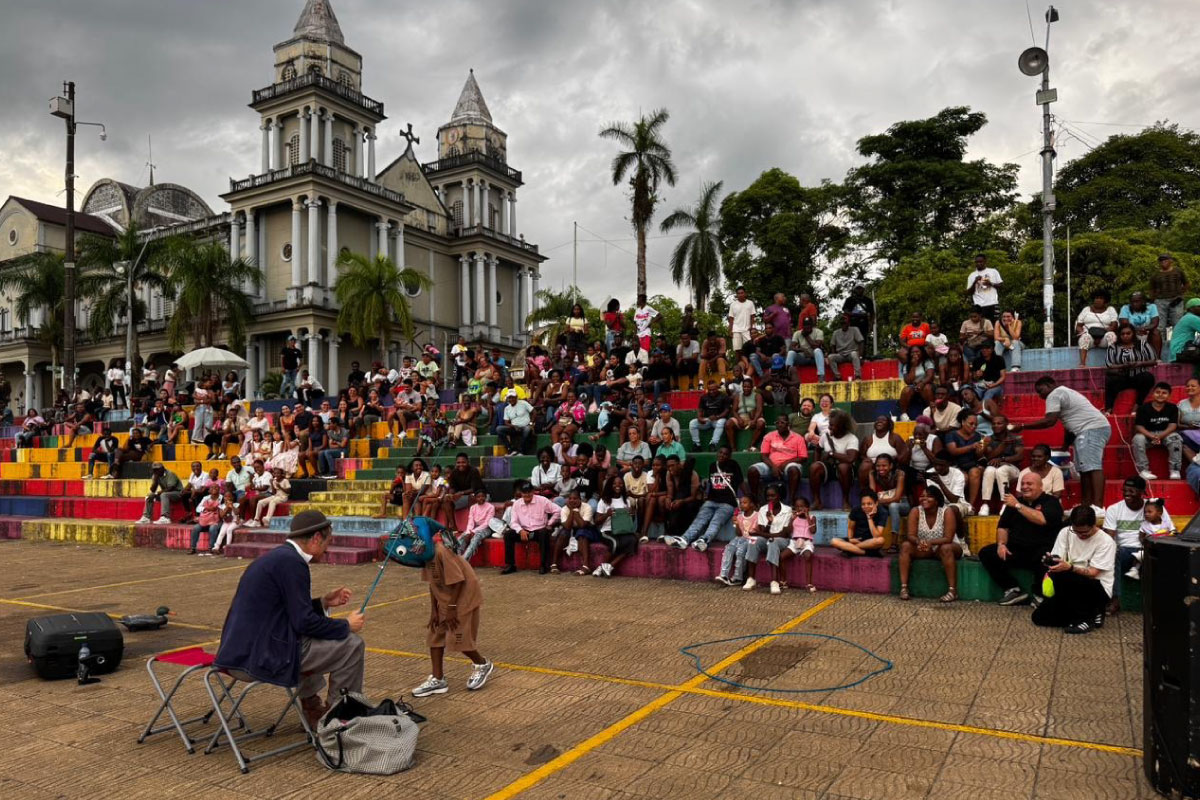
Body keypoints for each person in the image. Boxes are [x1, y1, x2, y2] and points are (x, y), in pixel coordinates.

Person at [215, 510, 365, 726]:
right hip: (255, 657)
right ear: (315, 539)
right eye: (327, 542)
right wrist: (346, 625)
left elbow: (288, 611)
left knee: (305, 639)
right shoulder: (293, 564)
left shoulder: (280, 557)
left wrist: (322, 602)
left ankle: (312, 707)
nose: (327, 548)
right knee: (352, 645)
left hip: (237, 651)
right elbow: (303, 621)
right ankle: (338, 720)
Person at [1010, 376, 1111, 512]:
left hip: (1091, 429)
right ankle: (1086, 506)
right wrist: (1064, 447)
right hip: (1088, 430)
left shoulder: (1055, 394)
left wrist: (1022, 426)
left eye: (1041, 391)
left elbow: (1049, 421)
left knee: (1093, 467)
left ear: (1050, 385)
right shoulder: (1065, 393)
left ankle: (1098, 507)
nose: (1041, 396)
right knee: (1085, 470)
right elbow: (1069, 427)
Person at [977, 471, 1064, 606]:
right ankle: (1013, 589)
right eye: (1022, 484)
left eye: (1029, 484)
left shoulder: (1051, 502)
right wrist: (1001, 544)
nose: (1024, 487)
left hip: (1041, 550)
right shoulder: (1015, 503)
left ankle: (1039, 595)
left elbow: (1042, 519)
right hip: (1017, 550)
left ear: (1041, 487)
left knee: (1048, 558)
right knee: (986, 553)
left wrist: (1018, 506)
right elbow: (1003, 527)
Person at [1032, 506, 1117, 635]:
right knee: (1039, 618)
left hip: (1096, 587)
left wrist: (1070, 568)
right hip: (1068, 584)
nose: (1080, 536)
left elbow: (1093, 573)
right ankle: (1092, 612)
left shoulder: (1106, 542)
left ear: (1094, 525)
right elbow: (1058, 558)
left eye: (1085, 532)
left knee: (1066, 575)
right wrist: (1051, 560)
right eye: (1076, 532)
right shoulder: (1066, 532)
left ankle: (1086, 618)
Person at [898, 486, 965, 603]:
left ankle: (952, 591)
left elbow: (948, 538)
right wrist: (919, 542)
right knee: (905, 546)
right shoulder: (915, 511)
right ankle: (904, 588)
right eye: (922, 496)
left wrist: (930, 542)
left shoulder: (946, 511)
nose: (924, 499)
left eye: (929, 496)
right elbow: (911, 535)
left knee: (946, 548)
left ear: (937, 500)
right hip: (925, 547)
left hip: (946, 547)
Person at [672, 445, 744, 551]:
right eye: (720, 453)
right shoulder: (712, 466)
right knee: (699, 520)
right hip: (711, 501)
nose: (722, 455)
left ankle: (704, 540)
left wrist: (749, 497)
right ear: (717, 453)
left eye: (725, 454)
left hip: (728, 503)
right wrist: (707, 497)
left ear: (730, 456)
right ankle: (684, 539)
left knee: (716, 522)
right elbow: (711, 484)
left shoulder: (733, 465)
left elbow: (741, 482)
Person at [1102, 475, 1150, 613]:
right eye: (1125, 490)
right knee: (1113, 552)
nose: (1127, 494)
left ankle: (1153, 603)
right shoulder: (1114, 509)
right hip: (1124, 552)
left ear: (1142, 492)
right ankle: (1115, 600)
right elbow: (1109, 538)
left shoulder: (1153, 508)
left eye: (1131, 491)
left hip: (1145, 549)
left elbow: (1165, 531)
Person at [742, 485, 793, 592]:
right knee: (753, 540)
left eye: (773, 496)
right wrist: (769, 521)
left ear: (779, 496)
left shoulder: (787, 510)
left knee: (772, 541)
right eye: (768, 496)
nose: (770, 498)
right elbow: (762, 531)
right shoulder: (763, 509)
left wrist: (760, 534)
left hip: (783, 541)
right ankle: (751, 579)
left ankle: (774, 581)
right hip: (767, 538)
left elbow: (784, 534)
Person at [1130, 381, 1184, 480]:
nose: (1160, 395)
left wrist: (1160, 436)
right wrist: (1151, 436)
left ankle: (1175, 470)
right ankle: (1143, 471)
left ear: (1169, 396)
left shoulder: (1172, 408)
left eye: (1164, 393)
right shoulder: (1143, 408)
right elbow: (1139, 427)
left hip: (1166, 434)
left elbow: (1172, 426)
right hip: (1147, 434)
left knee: (1176, 438)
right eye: (1158, 392)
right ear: (1153, 394)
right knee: (1138, 439)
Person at [501, 483, 558, 575]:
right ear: (521, 493)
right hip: (524, 531)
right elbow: (513, 522)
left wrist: (550, 523)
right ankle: (511, 565)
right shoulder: (517, 504)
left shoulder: (542, 501)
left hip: (539, 530)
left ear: (533, 492)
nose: (527, 495)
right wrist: (520, 530)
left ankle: (543, 565)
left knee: (544, 533)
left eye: (529, 492)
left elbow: (558, 510)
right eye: (524, 492)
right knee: (508, 534)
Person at [808, 409, 859, 511]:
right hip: (830, 467)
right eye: (829, 424)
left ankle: (846, 501)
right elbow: (818, 449)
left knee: (843, 466)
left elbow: (850, 458)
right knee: (815, 467)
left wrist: (831, 454)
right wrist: (817, 462)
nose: (829, 428)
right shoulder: (825, 435)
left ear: (842, 427)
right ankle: (817, 501)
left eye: (832, 425)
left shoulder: (852, 438)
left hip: (846, 471)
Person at [1103, 322, 1157, 413]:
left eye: (1128, 333)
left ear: (1133, 334)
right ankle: (1109, 409)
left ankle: (1137, 406)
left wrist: (1139, 363)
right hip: (1121, 377)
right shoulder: (1113, 347)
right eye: (1122, 334)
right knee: (1110, 380)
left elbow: (1153, 360)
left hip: (1138, 377)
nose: (1125, 336)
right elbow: (1109, 365)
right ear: (1119, 335)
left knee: (1148, 377)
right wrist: (1123, 366)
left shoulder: (1142, 344)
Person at [979, 414, 1024, 516]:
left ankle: (1005, 503)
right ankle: (985, 505)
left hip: (1013, 469)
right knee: (989, 469)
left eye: (999, 423)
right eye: (994, 424)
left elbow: (1019, 456)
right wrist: (996, 446)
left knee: (1001, 470)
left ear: (1006, 425)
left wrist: (1003, 459)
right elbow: (987, 456)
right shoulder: (988, 439)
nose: (996, 425)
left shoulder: (1015, 438)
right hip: (995, 469)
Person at [550, 491, 598, 575]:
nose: (572, 500)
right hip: (571, 530)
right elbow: (567, 526)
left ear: (580, 499)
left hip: (588, 529)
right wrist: (572, 511)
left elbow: (582, 525)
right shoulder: (564, 509)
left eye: (575, 498)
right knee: (563, 533)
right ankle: (554, 564)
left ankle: (586, 566)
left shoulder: (587, 507)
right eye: (570, 499)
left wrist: (575, 510)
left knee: (581, 533)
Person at [830, 490, 888, 557]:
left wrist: (869, 518)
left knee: (881, 540)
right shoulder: (856, 510)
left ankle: (849, 549)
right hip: (857, 540)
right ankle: (867, 553)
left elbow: (876, 536)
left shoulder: (883, 512)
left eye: (869, 504)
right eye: (863, 504)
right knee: (834, 541)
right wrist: (850, 539)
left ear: (876, 503)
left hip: (870, 542)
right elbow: (850, 528)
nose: (866, 506)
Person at [1075, 289, 1119, 366]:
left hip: (1104, 337)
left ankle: (1113, 363)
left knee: (1112, 336)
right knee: (1084, 338)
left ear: (1105, 300)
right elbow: (1078, 326)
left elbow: (1114, 325)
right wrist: (1082, 333)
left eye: (1101, 298)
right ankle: (1082, 364)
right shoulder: (1086, 310)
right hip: (1090, 337)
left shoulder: (1110, 310)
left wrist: (1100, 335)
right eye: (1096, 298)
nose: (1098, 300)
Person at [1152, 253, 1190, 334]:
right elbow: (1152, 289)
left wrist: (1180, 294)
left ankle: (1177, 345)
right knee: (1160, 326)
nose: (1163, 262)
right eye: (1161, 260)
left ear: (1171, 261)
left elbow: (1186, 283)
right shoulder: (1155, 274)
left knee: (1177, 324)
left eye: (1165, 260)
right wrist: (1154, 299)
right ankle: (1160, 345)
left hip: (1176, 299)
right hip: (1160, 301)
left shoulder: (1178, 271)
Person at [726, 377, 767, 452]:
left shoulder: (757, 395)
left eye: (748, 387)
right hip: (741, 417)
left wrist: (754, 420)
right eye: (744, 387)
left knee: (761, 423)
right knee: (729, 423)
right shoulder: (738, 396)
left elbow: (759, 409)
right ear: (742, 387)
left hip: (754, 417)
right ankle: (733, 448)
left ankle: (751, 446)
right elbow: (734, 410)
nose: (746, 388)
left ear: (752, 387)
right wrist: (739, 419)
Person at [898, 344, 936, 422]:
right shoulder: (907, 365)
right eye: (912, 352)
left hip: (926, 384)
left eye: (917, 351)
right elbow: (908, 381)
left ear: (921, 352)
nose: (915, 354)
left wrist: (922, 383)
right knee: (906, 390)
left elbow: (930, 376)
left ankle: (931, 412)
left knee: (927, 388)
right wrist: (913, 366)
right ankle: (904, 415)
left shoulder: (927, 362)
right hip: (913, 386)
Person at [689, 381, 731, 451]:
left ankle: (713, 444)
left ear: (717, 388)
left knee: (721, 422)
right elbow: (700, 409)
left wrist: (717, 417)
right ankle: (697, 445)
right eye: (710, 390)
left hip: (718, 419)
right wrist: (700, 418)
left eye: (714, 389)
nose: (712, 391)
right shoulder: (704, 397)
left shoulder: (724, 397)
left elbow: (726, 411)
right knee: (692, 423)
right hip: (707, 420)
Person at [787, 316, 828, 382]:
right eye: (805, 325)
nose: (807, 327)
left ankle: (821, 377)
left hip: (814, 358)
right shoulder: (797, 333)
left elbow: (816, 346)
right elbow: (791, 347)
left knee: (817, 350)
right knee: (791, 353)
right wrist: (802, 349)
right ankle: (788, 376)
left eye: (809, 324)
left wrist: (806, 336)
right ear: (803, 326)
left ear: (812, 325)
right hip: (803, 357)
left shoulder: (818, 332)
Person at [1120, 290, 1162, 355]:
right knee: (1126, 333)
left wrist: (1144, 329)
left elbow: (1155, 323)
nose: (1134, 304)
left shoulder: (1152, 307)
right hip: (1132, 332)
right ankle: (1129, 357)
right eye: (1132, 302)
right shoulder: (1125, 308)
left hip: (1147, 332)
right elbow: (1124, 324)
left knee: (1156, 332)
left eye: (1137, 301)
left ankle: (1157, 358)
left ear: (1143, 301)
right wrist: (1136, 330)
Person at [827, 314, 864, 381]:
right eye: (842, 323)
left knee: (854, 354)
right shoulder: (836, 333)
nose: (843, 324)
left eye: (845, 323)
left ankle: (858, 376)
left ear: (848, 323)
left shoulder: (854, 329)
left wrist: (861, 356)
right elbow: (832, 345)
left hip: (851, 353)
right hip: (841, 354)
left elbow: (861, 342)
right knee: (830, 357)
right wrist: (834, 353)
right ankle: (837, 376)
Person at [965, 254, 1002, 320]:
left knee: (994, 324)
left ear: (985, 262)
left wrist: (991, 283)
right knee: (980, 326)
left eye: (981, 262)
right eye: (977, 262)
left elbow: (1001, 286)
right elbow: (968, 292)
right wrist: (975, 282)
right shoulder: (972, 275)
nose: (979, 263)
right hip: (979, 305)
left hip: (992, 303)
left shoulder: (993, 271)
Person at [498, 390, 535, 455]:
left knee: (527, 429)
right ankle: (510, 448)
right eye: (509, 398)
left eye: (513, 397)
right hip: (514, 428)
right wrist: (513, 426)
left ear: (516, 397)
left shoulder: (523, 403)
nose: (511, 399)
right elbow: (506, 422)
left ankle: (521, 450)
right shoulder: (507, 408)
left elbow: (534, 412)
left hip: (525, 426)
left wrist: (531, 423)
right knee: (499, 429)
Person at [727, 286, 757, 351]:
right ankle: (738, 361)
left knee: (749, 347)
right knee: (737, 349)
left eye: (742, 293)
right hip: (736, 330)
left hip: (747, 330)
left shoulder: (750, 303)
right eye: (738, 293)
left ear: (745, 294)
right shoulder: (733, 305)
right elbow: (731, 318)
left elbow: (753, 317)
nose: (740, 295)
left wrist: (752, 327)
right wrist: (730, 330)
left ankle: (748, 361)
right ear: (737, 295)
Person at [1170, 298, 1200, 362]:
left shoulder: (1186, 317)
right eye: (1199, 306)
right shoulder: (1191, 318)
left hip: (1177, 352)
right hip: (1181, 351)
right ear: (1191, 308)